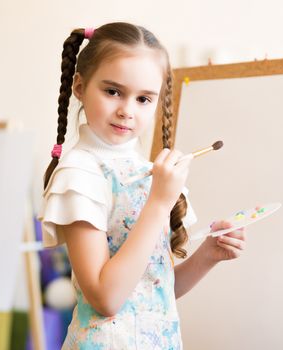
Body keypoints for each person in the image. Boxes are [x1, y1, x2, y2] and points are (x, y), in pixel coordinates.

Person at [38, 22, 246, 349]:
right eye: (112, 91)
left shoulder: (148, 172)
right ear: (79, 86)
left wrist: (208, 255)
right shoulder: (80, 174)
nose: (126, 111)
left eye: (143, 99)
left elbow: (153, 292)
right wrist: (159, 204)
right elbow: (107, 299)